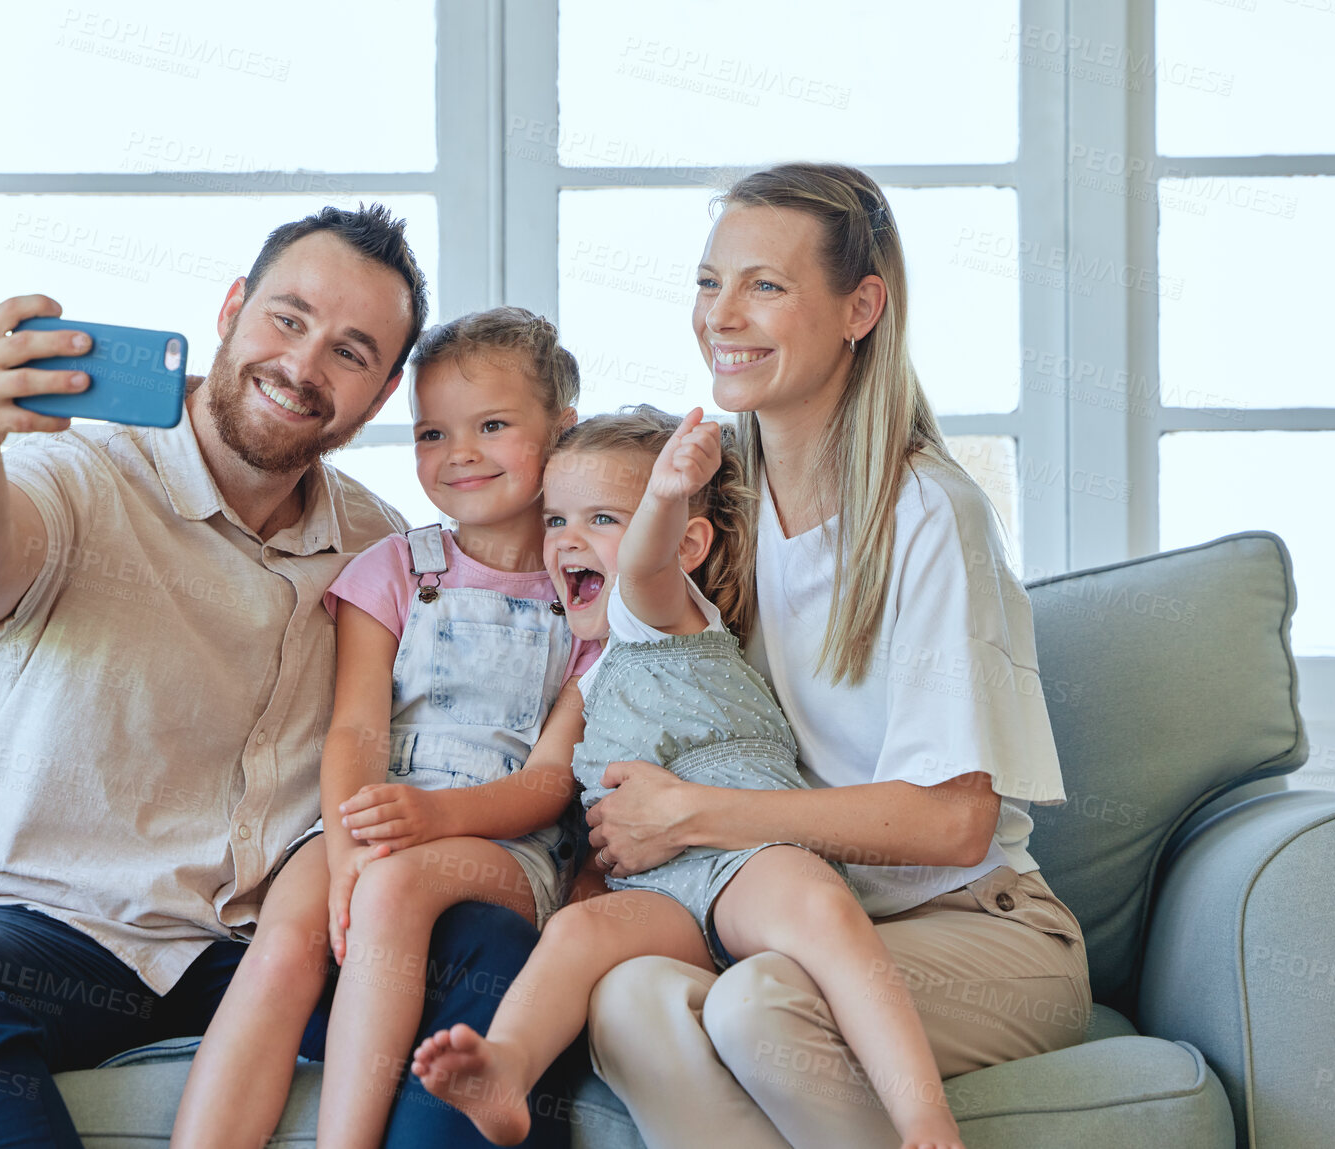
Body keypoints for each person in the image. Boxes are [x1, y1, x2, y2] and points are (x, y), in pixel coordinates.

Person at [0, 206, 573, 1149]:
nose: (304, 365)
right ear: (233, 308)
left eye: (351, 352)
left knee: (494, 957)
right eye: (287, 318)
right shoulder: (74, 474)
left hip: (283, 943)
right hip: (61, 932)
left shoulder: (385, 546)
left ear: (383, 393)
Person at [581, 163, 1092, 1148]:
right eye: (706, 282)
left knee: (756, 1004)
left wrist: (691, 814)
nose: (719, 316)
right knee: (628, 997)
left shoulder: (929, 514)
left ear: (860, 306)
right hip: (799, 926)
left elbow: (951, 823)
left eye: (762, 286)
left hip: (981, 928)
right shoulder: (714, 507)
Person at [410, 406, 965, 1149]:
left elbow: (641, 564)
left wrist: (668, 491)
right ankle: (508, 1066)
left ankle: (920, 1110)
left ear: (687, 546)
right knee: (577, 932)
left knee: (824, 915)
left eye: (603, 518)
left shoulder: (657, 614)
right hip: (659, 886)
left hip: (746, 850)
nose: (568, 539)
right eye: (555, 520)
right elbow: (550, 782)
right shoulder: (587, 680)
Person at [169, 307, 599, 1149]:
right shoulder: (395, 566)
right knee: (287, 940)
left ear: (563, 429)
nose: (459, 453)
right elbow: (355, 732)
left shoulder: (588, 599)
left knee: (396, 886)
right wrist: (344, 854)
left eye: (494, 426)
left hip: (505, 839)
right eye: (432, 431)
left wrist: (431, 822)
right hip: (379, 813)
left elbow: (552, 782)